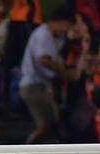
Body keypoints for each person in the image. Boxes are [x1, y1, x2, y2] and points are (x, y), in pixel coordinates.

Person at [19, 8, 74, 144]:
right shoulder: (43, 34)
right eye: (66, 26)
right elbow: (43, 60)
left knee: (51, 127)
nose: (66, 30)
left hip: (39, 85)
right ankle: (24, 153)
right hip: (33, 86)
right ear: (61, 22)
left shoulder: (49, 35)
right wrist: (66, 73)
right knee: (47, 126)